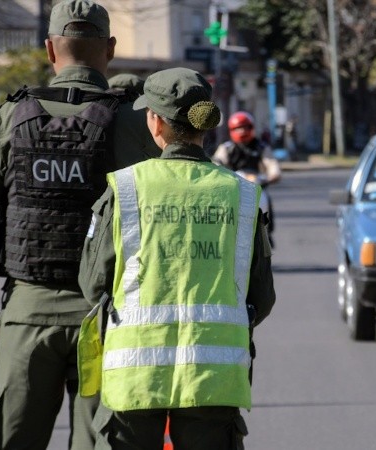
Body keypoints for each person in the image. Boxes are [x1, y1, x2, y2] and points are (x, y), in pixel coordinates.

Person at [0, 1, 160, 448]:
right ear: (110, 48)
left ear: (50, 49)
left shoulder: (10, 118)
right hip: (111, 319)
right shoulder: (138, 125)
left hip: (28, 315)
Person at [77, 67, 276, 449]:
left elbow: (92, 285)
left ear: (155, 121)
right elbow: (262, 299)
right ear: (204, 125)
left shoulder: (126, 189)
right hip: (213, 378)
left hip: (134, 377)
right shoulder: (241, 194)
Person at [213, 111, 281, 245]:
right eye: (238, 128)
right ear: (231, 130)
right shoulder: (226, 148)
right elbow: (216, 164)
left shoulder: (261, 147)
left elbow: (273, 166)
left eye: (245, 127)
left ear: (251, 128)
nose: (242, 131)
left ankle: (266, 233)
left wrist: (269, 177)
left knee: (267, 200)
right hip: (232, 188)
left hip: (256, 187)